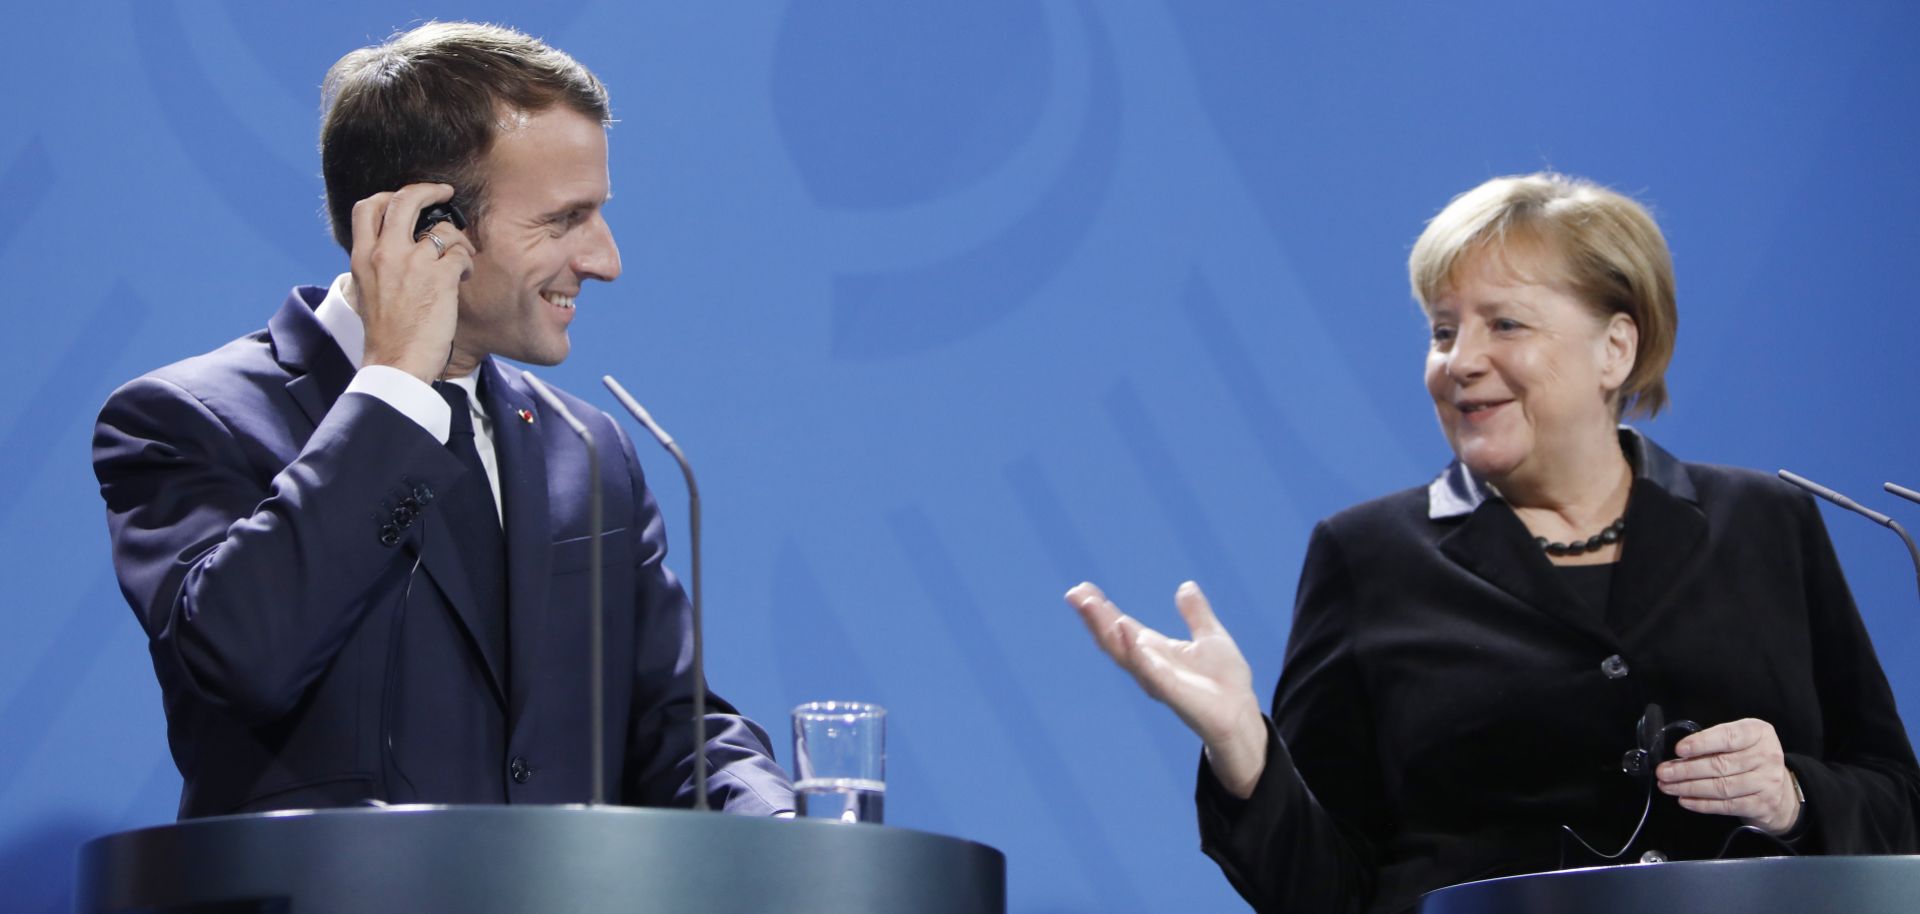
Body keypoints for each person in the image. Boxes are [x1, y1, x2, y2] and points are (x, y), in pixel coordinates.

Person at [1066, 173, 1920, 912]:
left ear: (1614, 348)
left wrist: (1793, 796)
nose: (1458, 361)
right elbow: (1329, 892)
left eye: (1504, 325)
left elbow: (1898, 807)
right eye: (1443, 331)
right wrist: (1244, 751)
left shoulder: (1768, 523)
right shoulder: (1366, 557)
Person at [92, 22, 793, 819]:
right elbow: (242, 660)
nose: (605, 260)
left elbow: (675, 728)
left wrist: (780, 828)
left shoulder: (589, 450)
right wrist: (393, 388)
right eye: (564, 220)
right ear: (429, 226)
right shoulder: (186, 420)